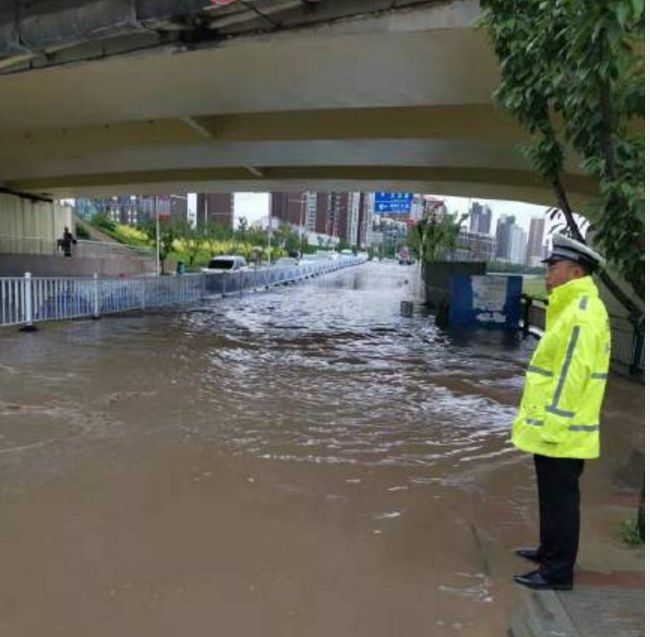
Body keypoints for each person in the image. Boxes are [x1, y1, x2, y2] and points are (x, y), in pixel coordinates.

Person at [512, 234, 610, 591]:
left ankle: (557, 572)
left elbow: (572, 374)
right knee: (552, 498)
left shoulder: (581, 313)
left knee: (562, 502)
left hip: (561, 430)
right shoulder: (572, 307)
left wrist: (552, 424)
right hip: (557, 429)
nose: (547, 274)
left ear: (574, 271)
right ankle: (548, 552)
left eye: (553, 267)